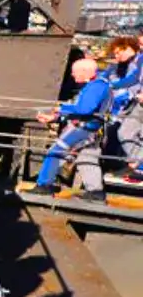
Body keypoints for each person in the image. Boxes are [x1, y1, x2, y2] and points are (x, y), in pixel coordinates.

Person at [28, 58, 112, 201]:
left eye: (75, 72)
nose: (73, 75)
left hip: (82, 129)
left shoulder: (95, 87)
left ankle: (44, 186)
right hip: (92, 130)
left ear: (86, 72)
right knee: (87, 158)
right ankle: (95, 192)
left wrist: (62, 108)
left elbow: (85, 109)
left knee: (55, 153)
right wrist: (55, 118)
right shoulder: (99, 85)